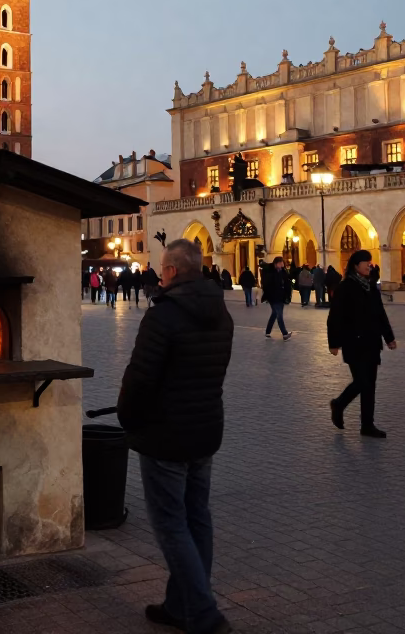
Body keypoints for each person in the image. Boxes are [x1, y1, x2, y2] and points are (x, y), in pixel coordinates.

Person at [117, 239, 235, 634]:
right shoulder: (221, 311)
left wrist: (129, 419)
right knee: (197, 517)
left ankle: (203, 613)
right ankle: (178, 604)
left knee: (171, 524)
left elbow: (140, 378)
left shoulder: (163, 316)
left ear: (169, 271)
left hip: (166, 434)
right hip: (205, 429)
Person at [327, 249, 396, 437]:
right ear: (356, 266)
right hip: (354, 342)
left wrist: (389, 337)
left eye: (369, 261)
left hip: (372, 342)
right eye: (365, 262)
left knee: (370, 384)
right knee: (362, 381)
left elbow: (380, 313)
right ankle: (339, 403)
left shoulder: (371, 286)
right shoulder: (345, 287)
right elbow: (335, 317)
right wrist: (334, 342)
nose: (369, 265)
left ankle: (367, 425)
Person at [261, 256, 292, 340]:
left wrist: (287, 295)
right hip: (273, 296)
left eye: (282, 263)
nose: (282, 265)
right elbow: (267, 284)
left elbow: (286, 283)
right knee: (279, 315)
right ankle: (285, 334)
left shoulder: (282, 271)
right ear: (276, 263)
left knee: (274, 314)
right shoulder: (270, 272)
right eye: (281, 263)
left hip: (281, 296)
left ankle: (267, 332)